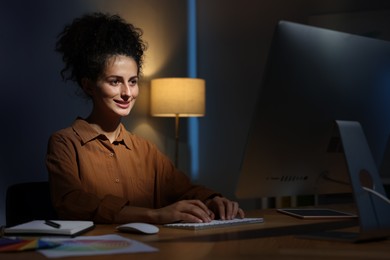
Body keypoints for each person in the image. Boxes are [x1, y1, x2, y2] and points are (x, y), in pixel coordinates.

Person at [46, 12, 245, 224]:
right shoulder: (65, 143)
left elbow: (185, 189)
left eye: (132, 81)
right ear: (88, 86)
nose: (127, 93)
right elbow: (72, 204)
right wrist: (154, 215)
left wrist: (214, 200)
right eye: (115, 81)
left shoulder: (145, 149)